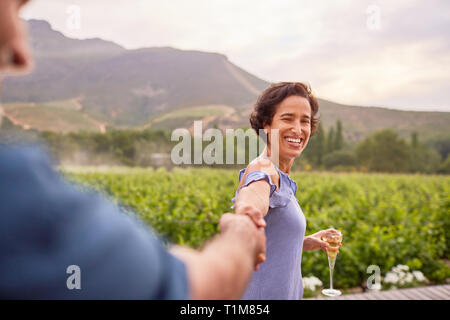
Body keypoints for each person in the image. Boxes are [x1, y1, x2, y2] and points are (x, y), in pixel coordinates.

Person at [0, 0, 266, 299]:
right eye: (13, 9)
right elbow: (198, 287)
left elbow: (161, 272)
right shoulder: (23, 199)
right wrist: (241, 233)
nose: (22, 56)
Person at [232, 82, 342, 299]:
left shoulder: (280, 174)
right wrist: (247, 213)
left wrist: (301, 241)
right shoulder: (263, 169)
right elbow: (254, 198)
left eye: (305, 121)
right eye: (287, 118)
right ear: (266, 124)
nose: (298, 129)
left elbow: (271, 240)